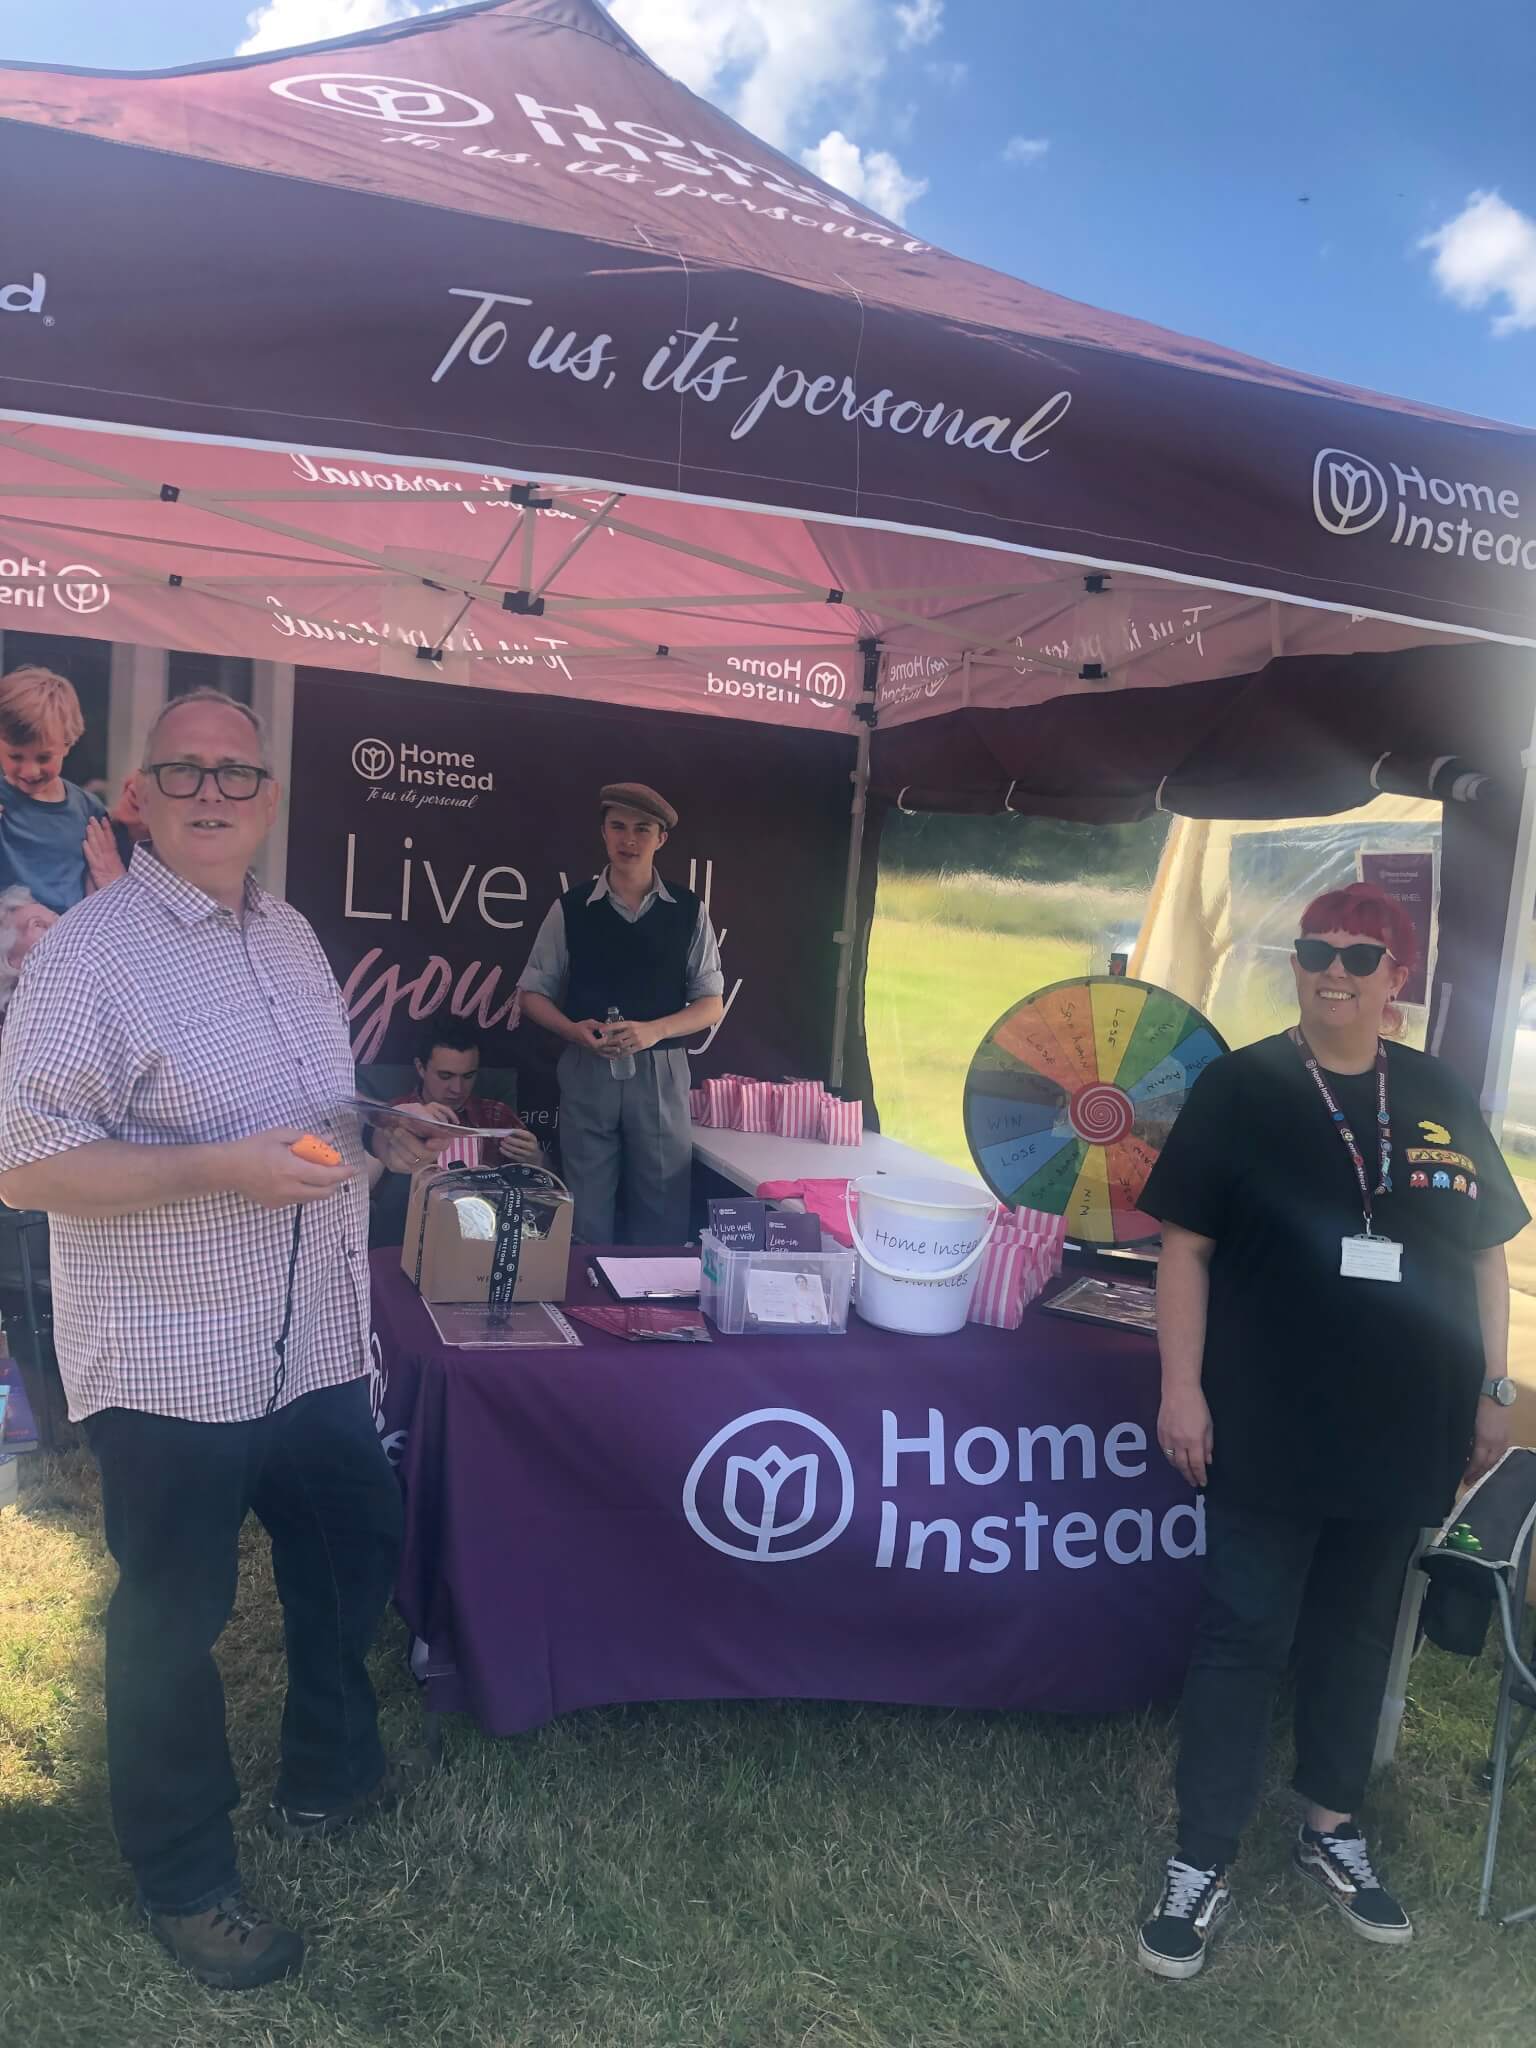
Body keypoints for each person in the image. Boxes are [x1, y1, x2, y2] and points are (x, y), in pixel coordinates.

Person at [0, 687, 447, 1991]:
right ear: (139, 793)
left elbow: (311, 1121)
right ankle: (187, 1875)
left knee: (348, 1551)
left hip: (308, 1343)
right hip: (172, 1357)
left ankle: (325, 1772)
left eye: (235, 775)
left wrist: (383, 1137)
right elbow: (25, 1166)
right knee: (169, 1621)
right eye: (185, 771)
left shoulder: (294, 936)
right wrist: (212, 1171)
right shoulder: (94, 953)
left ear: (267, 798)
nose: (211, 792)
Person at [1133, 882, 1528, 1980]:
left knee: (1359, 1633)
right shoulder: (1242, 1086)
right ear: (1297, 962)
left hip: (1409, 1422)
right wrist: (1181, 1387)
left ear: (1398, 976)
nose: (1334, 970)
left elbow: (1489, 1249)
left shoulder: (1442, 1091)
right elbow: (1185, 1248)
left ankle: (1331, 1827)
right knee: (1245, 1633)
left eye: (1361, 953)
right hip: (1266, 1416)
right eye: (1316, 950)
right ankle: (1201, 1855)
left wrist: (1496, 1387)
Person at [518, 782, 724, 1243]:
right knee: (584, 1210)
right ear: (604, 833)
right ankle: (586, 1307)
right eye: (618, 827)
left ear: (660, 838)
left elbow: (711, 1003)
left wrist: (654, 1031)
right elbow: (531, 994)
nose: (629, 840)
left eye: (641, 829)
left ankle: (657, 1311)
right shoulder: (571, 908)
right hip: (587, 1068)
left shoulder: (688, 911)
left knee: (664, 1208)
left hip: (661, 1072)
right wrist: (572, 1030)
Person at [368, 1017, 543, 1249]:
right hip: (408, 1241)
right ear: (420, 1068)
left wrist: (535, 1159)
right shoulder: (396, 1115)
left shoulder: (495, 1115)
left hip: (485, 1243)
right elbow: (363, 1185)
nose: (457, 1089)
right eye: (445, 1076)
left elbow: (543, 1192)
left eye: (468, 1076)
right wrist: (389, 1138)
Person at [0, 664, 125, 909]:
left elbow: (95, 882)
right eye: (16, 757)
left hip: (67, 939)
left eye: (43, 758)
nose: (29, 771)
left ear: (67, 744)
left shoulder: (88, 810)